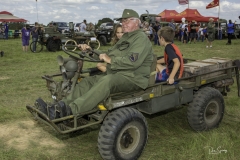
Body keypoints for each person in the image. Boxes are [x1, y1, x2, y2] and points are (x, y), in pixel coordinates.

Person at [37, 9, 154, 120]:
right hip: (118, 74)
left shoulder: (140, 39)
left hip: (133, 78)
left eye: (126, 20)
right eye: (122, 21)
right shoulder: (126, 38)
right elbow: (107, 54)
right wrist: (90, 50)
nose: (123, 23)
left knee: (106, 81)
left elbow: (132, 61)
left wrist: (110, 60)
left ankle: (71, 110)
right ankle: (60, 107)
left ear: (136, 22)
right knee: (88, 81)